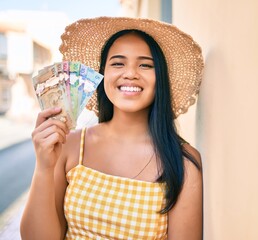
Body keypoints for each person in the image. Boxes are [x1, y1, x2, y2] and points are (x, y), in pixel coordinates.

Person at [20, 17, 204, 239]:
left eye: (145, 64)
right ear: (102, 74)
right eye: (118, 63)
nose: (130, 73)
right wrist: (44, 167)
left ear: (161, 78)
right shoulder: (69, 145)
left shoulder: (183, 162)